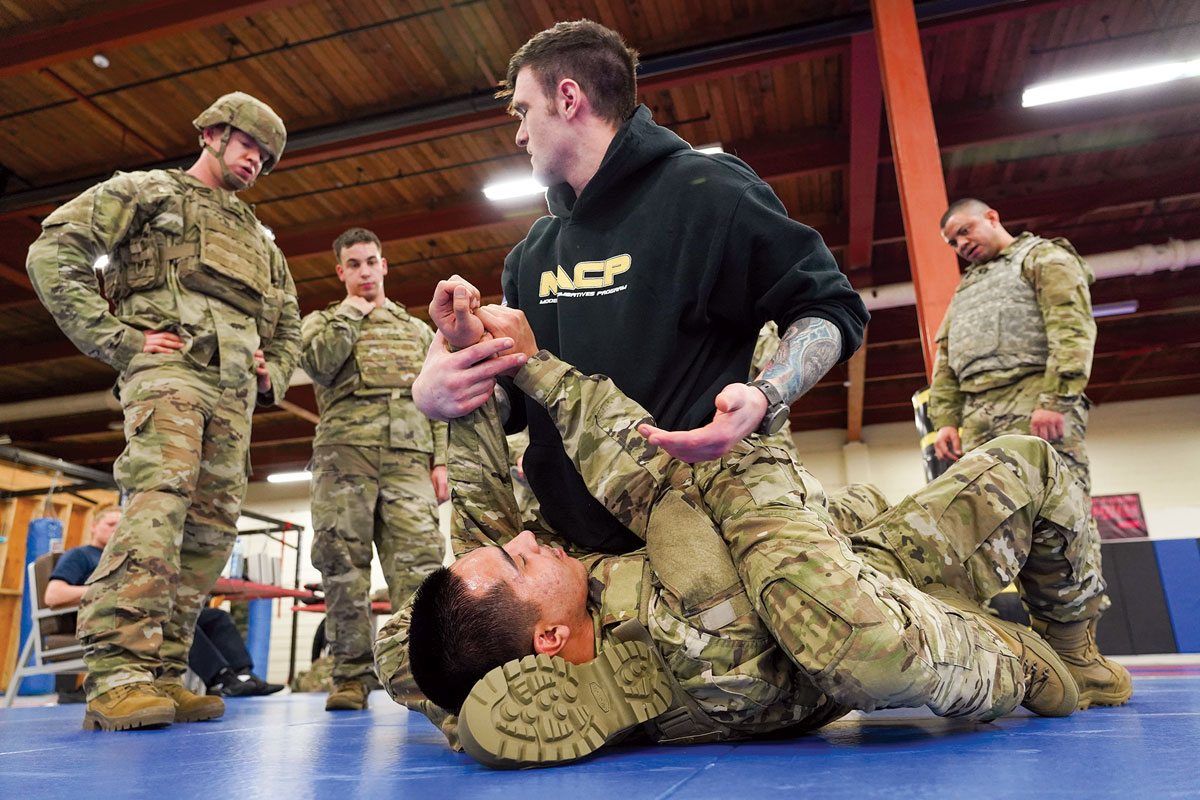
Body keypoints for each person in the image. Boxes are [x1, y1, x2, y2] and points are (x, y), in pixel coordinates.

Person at [375, 307, 1131, 769]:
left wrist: (458, 378)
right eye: (519, 562)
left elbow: (477, 540)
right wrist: (535, 368)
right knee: (736, 516)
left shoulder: (505, 629)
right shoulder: (692, 618)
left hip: (821, 552)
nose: (532, 543)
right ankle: (1039, 657)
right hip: (838, 601)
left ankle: (1066, 637)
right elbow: (665, 482)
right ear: (546, 641)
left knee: (404, 647)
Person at [414, 19, 869, 554]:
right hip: (570, 554)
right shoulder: (532, 253)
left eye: (522, 110)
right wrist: (441, 386)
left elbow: (832, 305)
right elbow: (517, 398)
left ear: (567, 99)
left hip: (692, 537)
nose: (517, 133)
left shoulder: (710, 193)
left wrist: (766, 394)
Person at [26, 92, 301, 731]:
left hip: (234, 397)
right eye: (246, 145)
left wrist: (275, 373)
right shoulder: (148, 192)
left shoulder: (260, 239)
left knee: (210, 533)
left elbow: (286, 320)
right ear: (210, 132)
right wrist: (117, 340)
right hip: (170, 375)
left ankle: (164, 675)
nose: (254, 161)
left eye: (265, 156)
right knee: (158, 505)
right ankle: (117, 674)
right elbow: (53, 251)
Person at [299, 227, 449, 711]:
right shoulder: (323, 324)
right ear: (341, 272)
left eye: (371, 262)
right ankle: (349, 676)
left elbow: (439, 394)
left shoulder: (418, 331)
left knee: (420, 568)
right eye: (354, 264)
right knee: (343, 569)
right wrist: (350, 316)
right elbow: (319, 366)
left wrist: (441, 459)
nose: (365, 271)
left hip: (408, 461)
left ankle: (422, 674)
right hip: (344, 458)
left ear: (384, 265)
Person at [931, 198, 1096, 493]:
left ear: (992, 217)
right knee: (990, 521)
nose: (962, 244)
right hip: (976, 417)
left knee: (1057, 510)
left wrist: (1055, 400)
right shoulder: (966, 288)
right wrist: (945, 421)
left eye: (966, 231)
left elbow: (1071, 327)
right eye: (953, 242)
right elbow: (946, 356)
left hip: (1033, 402)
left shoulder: (1042, 257)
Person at [45, 507, 284, 699]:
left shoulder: (130, 557)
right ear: (94, 526)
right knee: (173, 620)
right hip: (107, 618)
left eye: (121, 525)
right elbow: (53, 596)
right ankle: (221, 680)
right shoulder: (81, 555)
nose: (116, 529)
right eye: (110, 524)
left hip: (143, 612)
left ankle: (243, 675)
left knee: (213, 617)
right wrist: (111, 591)